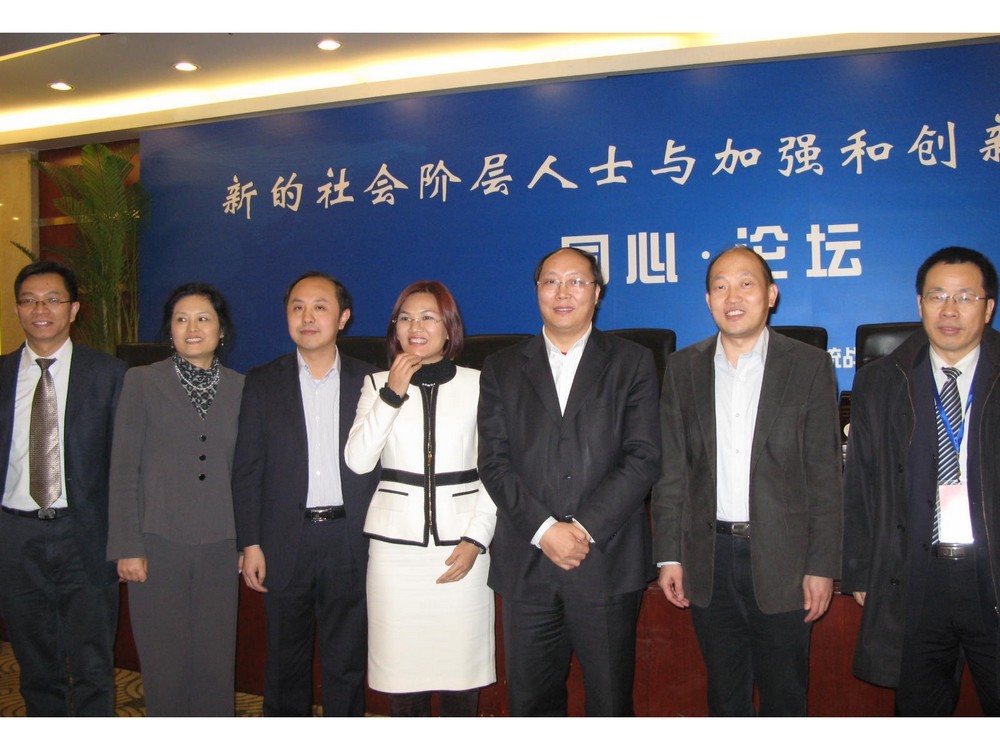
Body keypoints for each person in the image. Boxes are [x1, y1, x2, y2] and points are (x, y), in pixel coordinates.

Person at [652, 245, 842, 716]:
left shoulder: (808, 365)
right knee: (724, 696)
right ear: (708, 300)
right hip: (708, 558)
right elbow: (673, 470)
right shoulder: (683, 368)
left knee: (785, 697)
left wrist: (822, 565)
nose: (732, 296)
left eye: (745, 284)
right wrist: (670, 555)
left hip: (785, 559)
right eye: (720, 286)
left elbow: (825, 474)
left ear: (771, 295)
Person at [477, 247, 661, 716]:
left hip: (605, 560)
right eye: (550, 281)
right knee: (530, 705)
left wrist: (581, 530)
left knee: (609, 703)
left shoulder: (632, 362)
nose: (563, 292)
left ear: (597, 293)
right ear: (537, 291)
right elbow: (493, 461)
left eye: (576, 281)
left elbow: (643, 457)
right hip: (528, 563)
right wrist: (545, 531)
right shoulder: (501, 367)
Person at [844, 246, 1000, 716]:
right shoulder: (882, 380)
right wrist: (860, 572)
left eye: (965, 297)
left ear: (988, 308)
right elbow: (860, 482)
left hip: (992, 574)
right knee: (919, 714)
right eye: (937, 296)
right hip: (915, 575)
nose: (949, 310)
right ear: (919, 304)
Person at [344, 280, 496, 716]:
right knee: (402, 682)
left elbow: (495, 470)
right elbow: (357, 461)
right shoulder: (377, 384)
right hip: (395, 554)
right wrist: (392, 394)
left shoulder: (480, 384)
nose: (415, 327)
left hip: (462, 548)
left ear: (449, 328)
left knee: (460, 681)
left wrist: (477, 538)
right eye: (405, 318)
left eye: (428, 317)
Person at [232, 271, 380, 717]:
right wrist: (250, 542)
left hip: (350, 539)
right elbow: (247, 469)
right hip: (284, 540)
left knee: (346, 664)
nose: (307, 317)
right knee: (284, 665)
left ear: (343, 317)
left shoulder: (371, 381)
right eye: (297, 307)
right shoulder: (262, 382)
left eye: (320, 307)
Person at [107, 283, 243, 716]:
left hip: (221, 544)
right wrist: (127, 546)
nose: (192, 327)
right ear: (170, 329)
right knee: (164, 664)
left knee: (215, 664)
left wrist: (248, 542)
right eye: (181, 319)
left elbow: (246, 474)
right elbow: (124, 468)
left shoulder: (242, 388)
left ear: (221, 330)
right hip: (157, 542)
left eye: (203, 318)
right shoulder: (142, 381)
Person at [0, 260, 127, 716]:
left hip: (85, 534)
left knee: (94, 663)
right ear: (18, 308)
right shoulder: (1, 374)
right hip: (16, 536)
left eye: (52, 300)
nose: (41, 310)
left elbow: (124, 465)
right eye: (30, 301)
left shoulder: (110, 374)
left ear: (73, 309)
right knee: (35, 663)